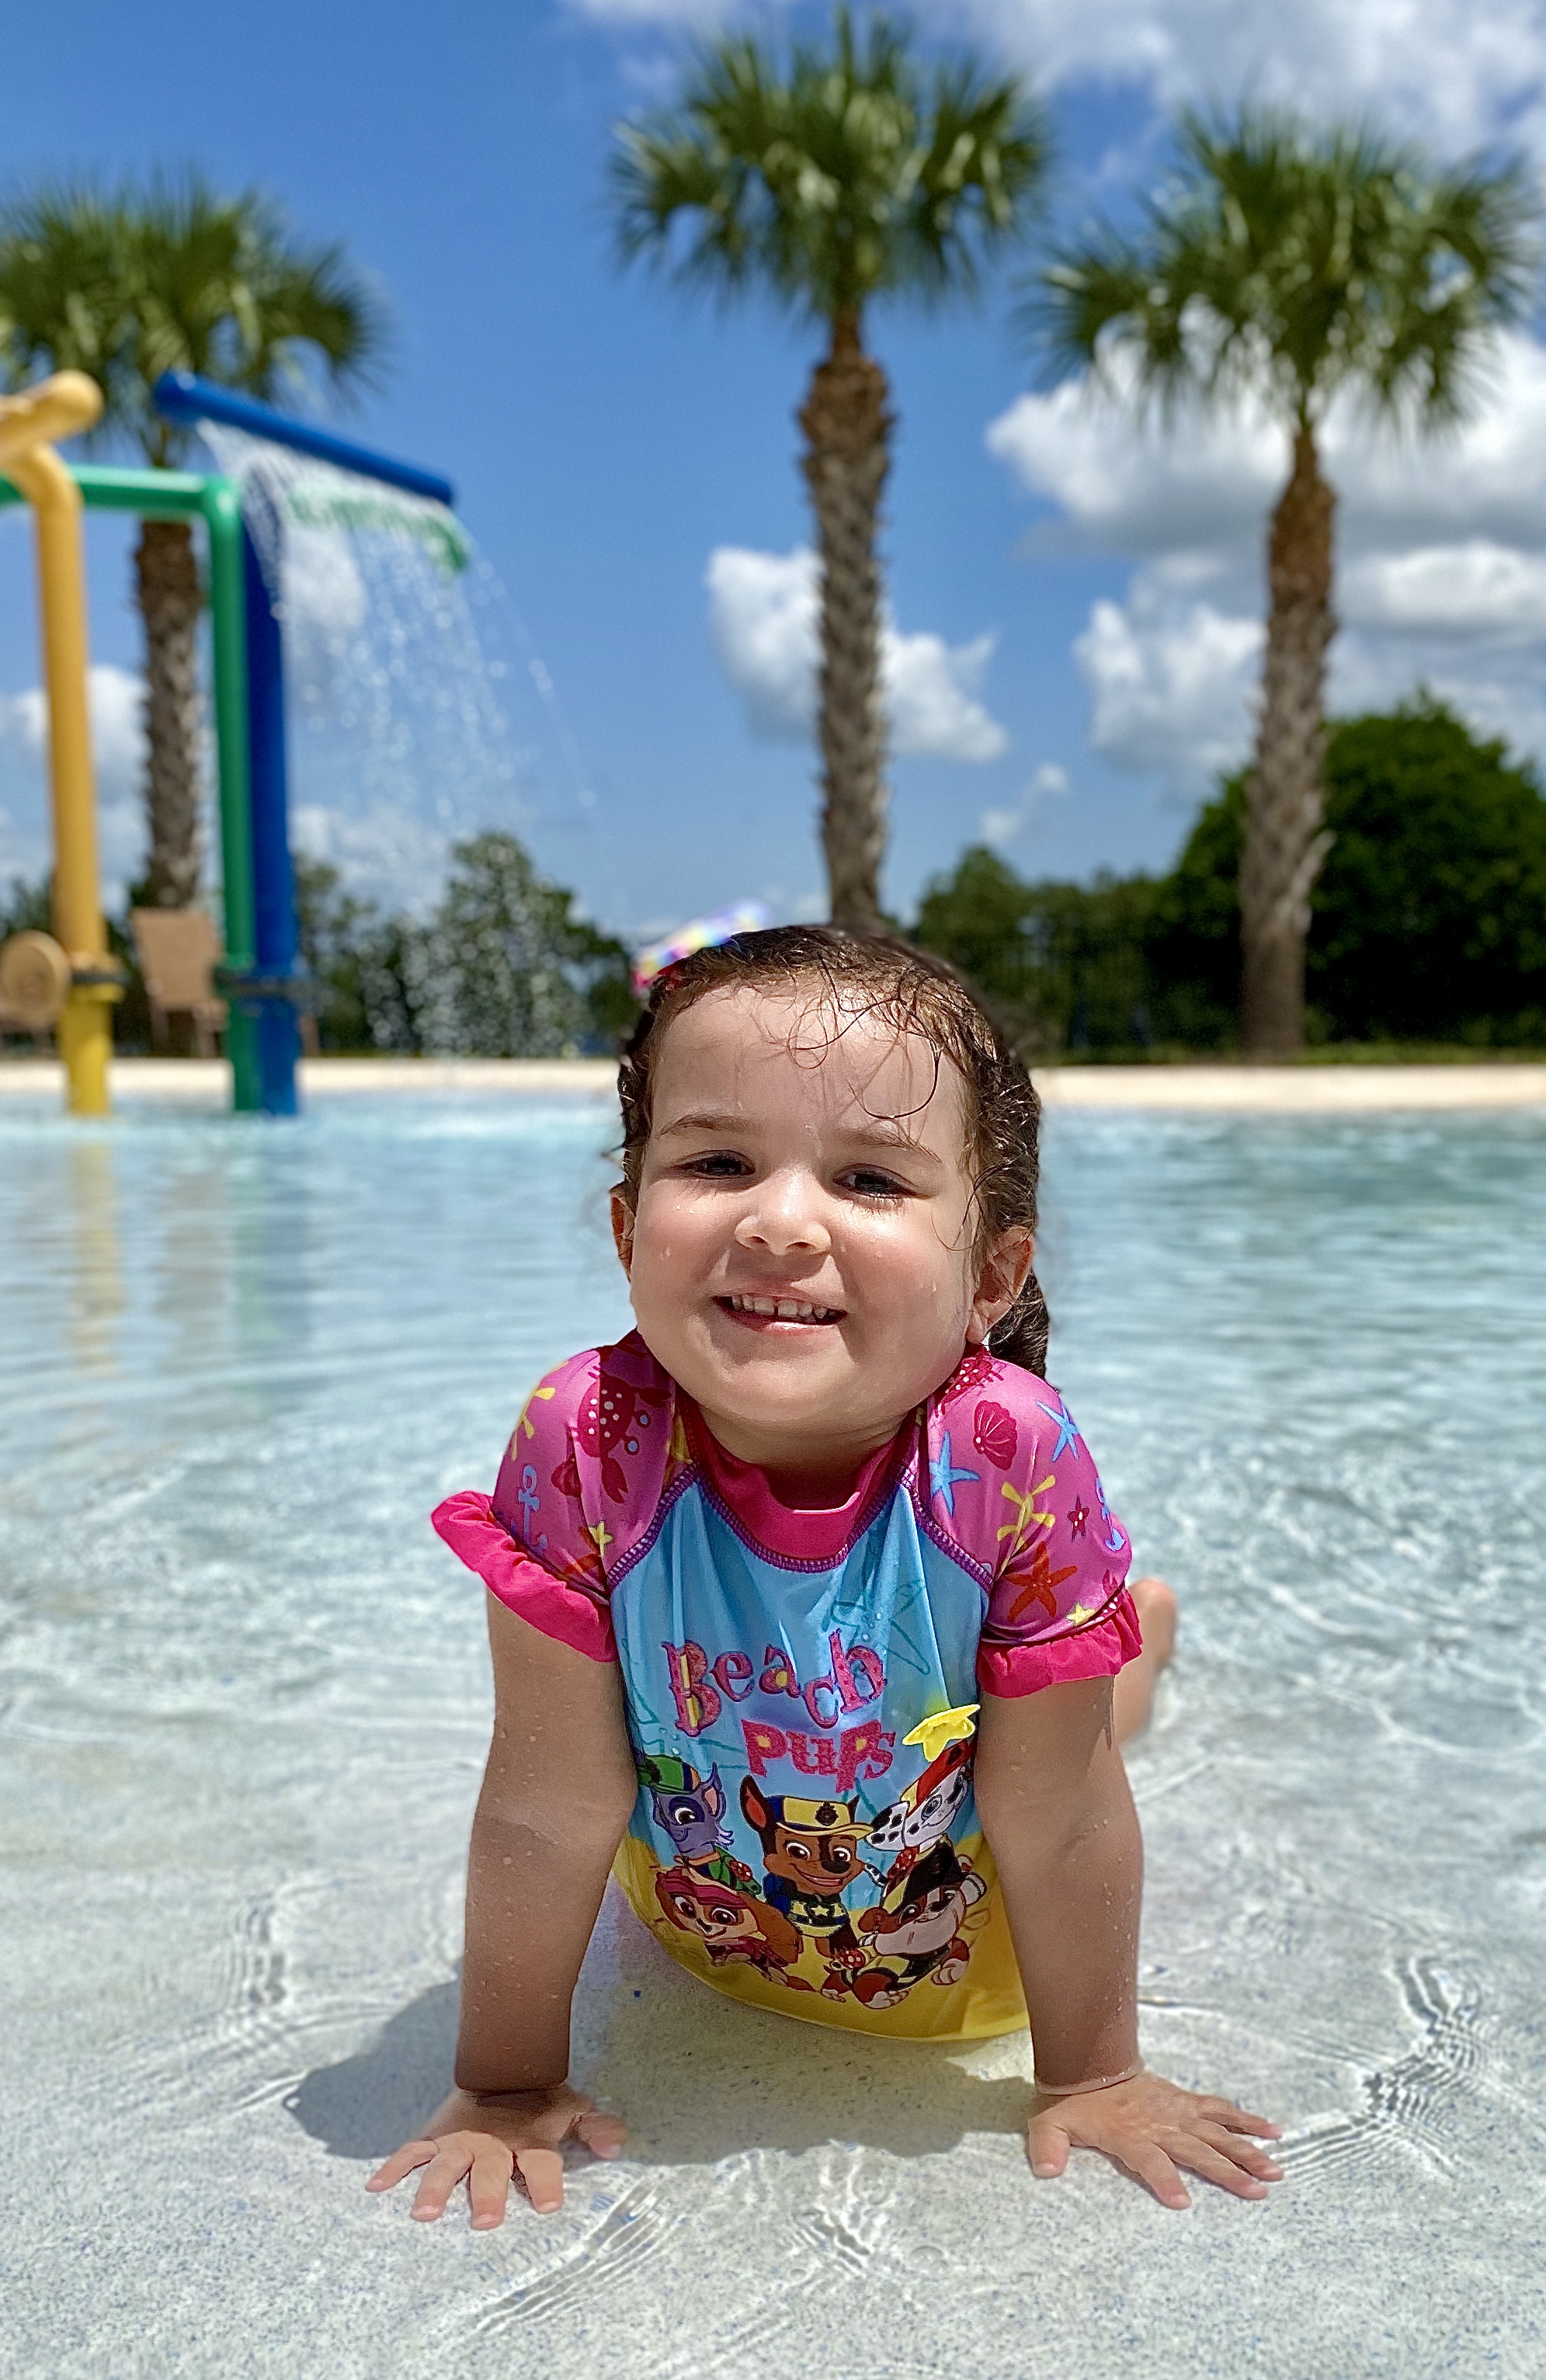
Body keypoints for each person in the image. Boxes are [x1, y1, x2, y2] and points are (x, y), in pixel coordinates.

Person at [367, 927, 1282, 2229]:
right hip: (711, 1932)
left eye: (868, 1177)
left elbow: (1060, 1816)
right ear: (629, 1228)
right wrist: (507, 2087)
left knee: (1082, 1730)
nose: (781, 1220)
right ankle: (1125, 1635)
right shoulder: (589, 1440)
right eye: (718, 1161)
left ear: (993, 1276)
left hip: (964, 1951)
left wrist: (1097, 2076)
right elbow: (544, 1803)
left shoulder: (1007, 1451)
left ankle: (1135, 1641)